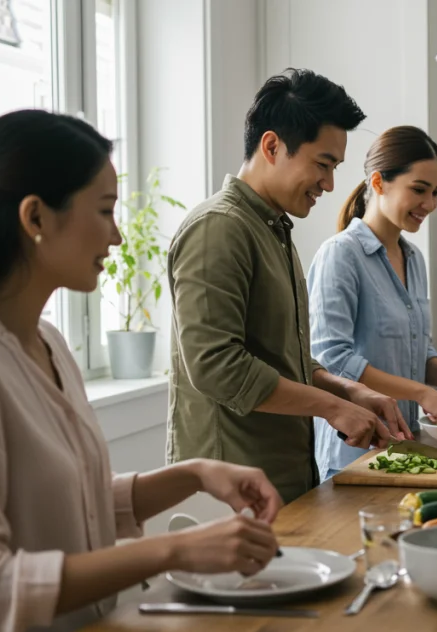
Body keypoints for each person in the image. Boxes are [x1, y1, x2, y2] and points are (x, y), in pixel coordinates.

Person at [0, 110, 284, 632]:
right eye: (105, 210)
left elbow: (70, 506)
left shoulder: (49, 344)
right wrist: (172, 552)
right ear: (35, 216)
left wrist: (195, 474)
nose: (116, 234)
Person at [167, 69, 411, 504]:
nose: (330, 184)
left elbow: (283, 358)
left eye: (334, 167)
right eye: (323, 164)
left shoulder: (272, 228)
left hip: (279, 483)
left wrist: (350, 390)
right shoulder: (219, 229)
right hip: (228, 497)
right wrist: (333, 407)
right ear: (272, 146)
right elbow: (216, 366)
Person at [307, 126, 437, 480]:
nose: (430, 204)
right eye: (419, 190)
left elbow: (416, 347)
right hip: (355, 452)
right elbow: (332, 359)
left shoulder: (413, 257)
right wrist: (422, 393)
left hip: (411, 446)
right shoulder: (341, 254)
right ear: (378, 183)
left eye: (435, 192)